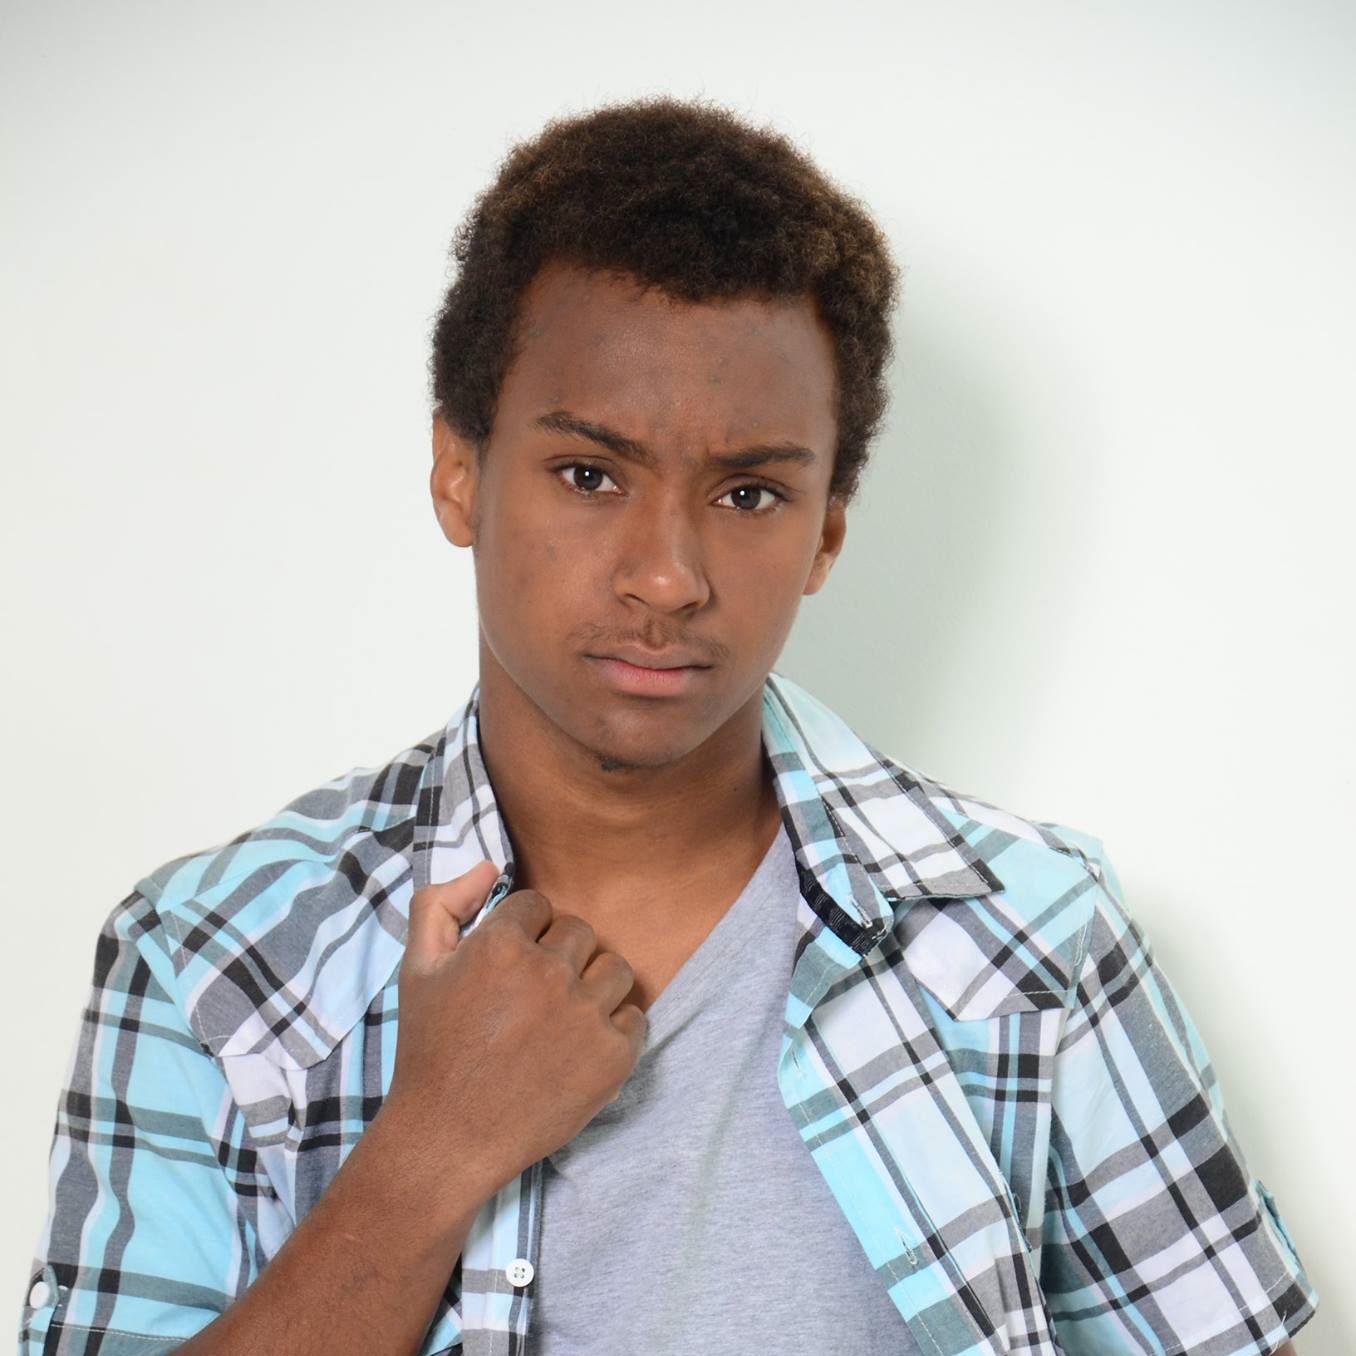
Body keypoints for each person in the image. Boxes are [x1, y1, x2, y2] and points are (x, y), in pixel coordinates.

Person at [17, 95, 1318, 1356]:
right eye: (590, 474)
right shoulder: (214, 955)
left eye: (749, 494)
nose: (666, 576)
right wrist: (428, 1152)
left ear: (829, 532)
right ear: (459, 471)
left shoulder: (1023, 935)